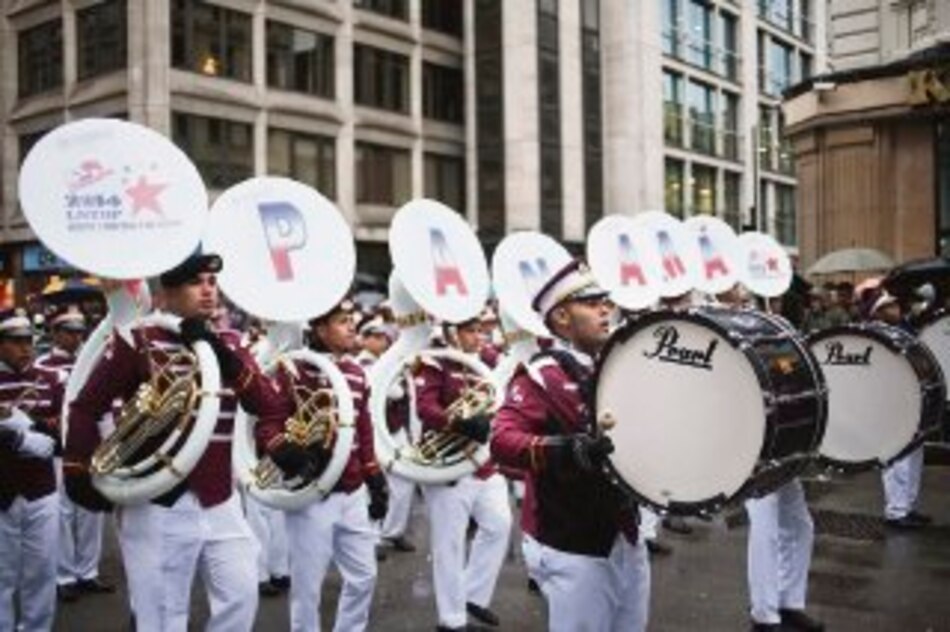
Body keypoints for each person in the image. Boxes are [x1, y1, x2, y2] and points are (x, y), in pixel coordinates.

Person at [64, 253, 284, 632]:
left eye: (212, 283)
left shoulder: (230, 340)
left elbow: (268, 404)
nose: (208, 290)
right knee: (163, 618)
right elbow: (86, 406)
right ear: (166, 292)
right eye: (196, 282)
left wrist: (225, 359)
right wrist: (77, 469)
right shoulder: (142, 339)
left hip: (220, 497)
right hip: (158, 501)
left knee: (242, 597)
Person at [491, 260, 649, 632]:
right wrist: (570, 449)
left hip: (625, 533)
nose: (605, 309)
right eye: (591, 303)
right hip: (572, 543)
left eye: (604, 301)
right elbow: (502, 441)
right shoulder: (542, 374)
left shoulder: (616, 365)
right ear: (562, 316)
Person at [258, 298, 388, 632]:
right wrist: (285, 451)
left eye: (352, 320)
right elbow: (268, 423)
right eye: (343, 321)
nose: (352, 327)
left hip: (353, 491)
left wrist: (374, 475)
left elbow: (363, 428)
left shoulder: (358, 372)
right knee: (307, 588)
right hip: (312, 494)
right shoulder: (294, 369)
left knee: (364, 576)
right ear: (320, 329)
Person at [414, 317, 512, 631]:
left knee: (499, 525)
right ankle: (451, 620)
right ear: (452, 333)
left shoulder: (487, 361)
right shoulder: (435, 361)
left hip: (482, 463)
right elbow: (424, 406)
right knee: (449, 545)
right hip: (447, 461)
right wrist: (457, 423)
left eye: (481, 330)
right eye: (471, 330)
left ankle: (472, 595)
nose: (479, 336)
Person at [743, 293, 823, 632]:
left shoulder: (770, 324)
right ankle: (764, 614)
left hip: (780, 440)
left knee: (799, 524)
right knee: (766, 529)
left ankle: (789, 602)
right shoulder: (723, 328)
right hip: (749, 445)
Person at [35, 304, 114, 603]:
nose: (76, 337)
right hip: (59, 449)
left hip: (92, 448)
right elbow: (43, 408)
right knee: (64, 514)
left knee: (92, 512)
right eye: (69, 332)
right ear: (54, 332)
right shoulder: (42, 365)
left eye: (80, 332)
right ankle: (65, 575)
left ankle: (88, 572)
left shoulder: (92, 360)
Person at [0, 307, 61, 632]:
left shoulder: (50, 380)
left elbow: (64, 432)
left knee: (41, 571)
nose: (26, 347)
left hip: (42, 489)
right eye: (16, 340)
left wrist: (36, 428)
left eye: (29, 340)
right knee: (2, 575)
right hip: (2, 492)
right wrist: (20, 437)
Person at [867, 290, 932, 529]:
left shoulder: (905, 328)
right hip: (889, 401)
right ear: (878, 312)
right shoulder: (873, 334)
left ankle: (908, 506)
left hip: (912, 398)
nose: (896, 309)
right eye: (889, 306)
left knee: (914, 456)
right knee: (897, 457)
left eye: (895, 305)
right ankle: (896, 511)